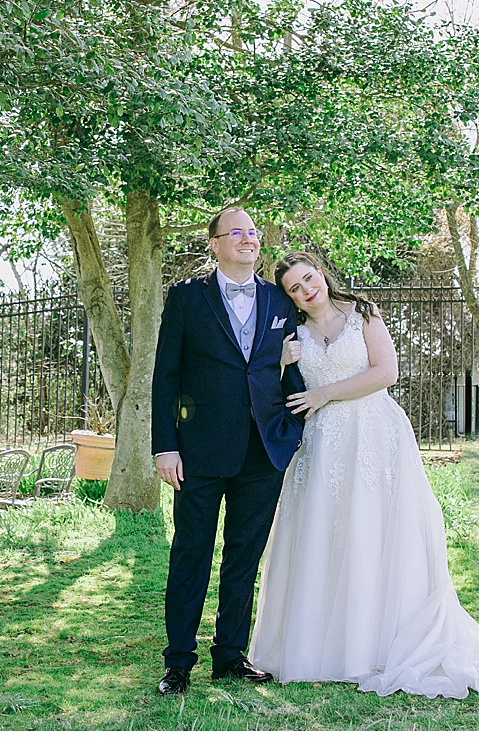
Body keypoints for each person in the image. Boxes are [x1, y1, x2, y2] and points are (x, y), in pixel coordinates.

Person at [249, 251, 479, 698]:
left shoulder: (363, 312)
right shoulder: (294, 334)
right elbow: (272, 386)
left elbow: (387, 372)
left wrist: (325, 393)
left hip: (373, 436)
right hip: (322, 445)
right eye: (294, 289)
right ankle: (323, 648)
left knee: (374, 532)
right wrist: (281, 361)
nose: (306, 291)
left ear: (321, 273)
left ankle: (373, 643)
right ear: (291, 299)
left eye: (308, 279)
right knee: (324, 535)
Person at [151, 207, 307, 696]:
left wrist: (289, 430)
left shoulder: (280, 300)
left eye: (252, 232)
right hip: (198, 452)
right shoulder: (186, 299)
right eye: (235, 232)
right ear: (214, 244)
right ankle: (178, 662)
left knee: (244, 557)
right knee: (190, 554)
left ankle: (230, 656)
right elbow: (165, 378)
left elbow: (291, 371)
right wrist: (165, 447)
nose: (247, 238)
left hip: (262, 453)